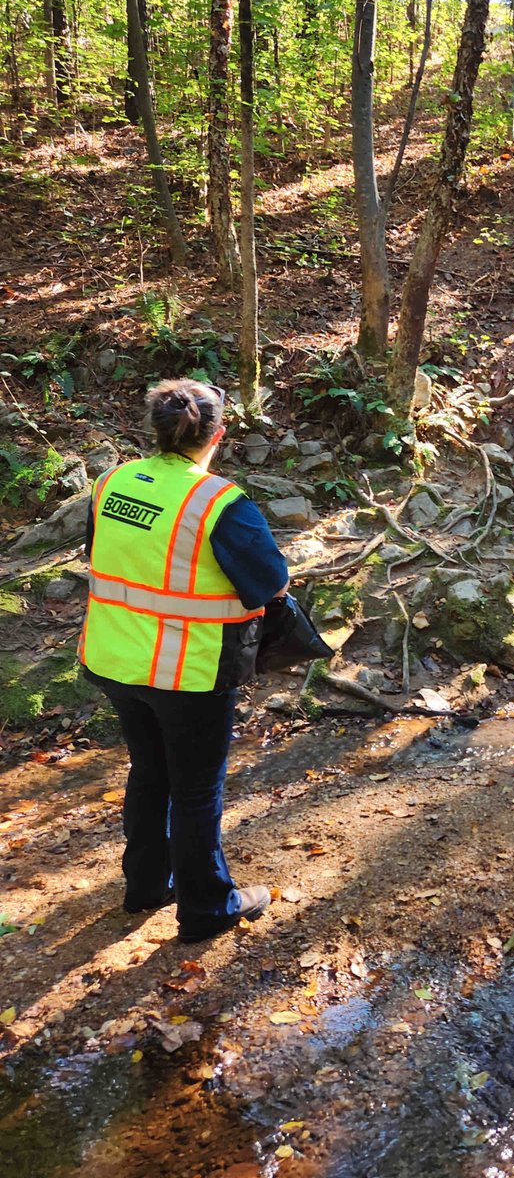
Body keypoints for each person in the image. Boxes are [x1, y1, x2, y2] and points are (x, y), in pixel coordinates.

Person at [79, 378, 290, 944]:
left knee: (150, 772)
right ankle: (206, 906)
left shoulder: (112, 482)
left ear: (153, 432)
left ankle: (146, 885)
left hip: (114, 660)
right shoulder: (219, 502)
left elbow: (105, 555)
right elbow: (270, 583)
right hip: (186, 672)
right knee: (195, 792)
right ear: (217, 436)